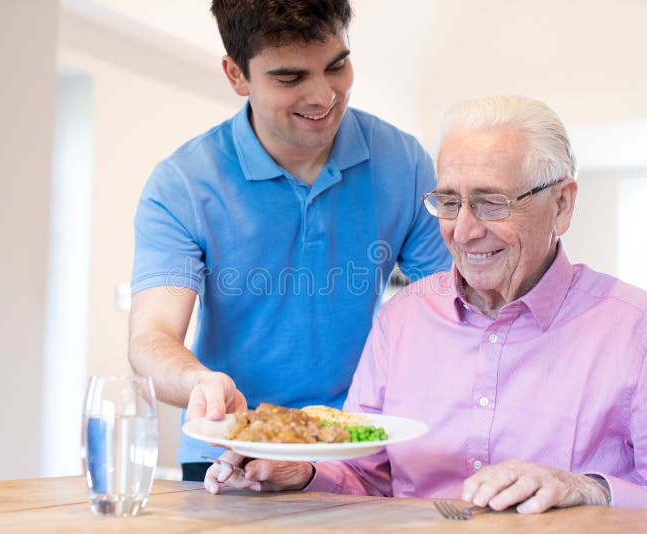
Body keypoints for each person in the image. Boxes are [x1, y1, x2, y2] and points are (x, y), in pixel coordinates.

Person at [204, 95, 647, 511]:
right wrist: (304, 471)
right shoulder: (402, 318)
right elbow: (367, 471)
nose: (465, 231)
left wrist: (588, 489)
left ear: (561, 204)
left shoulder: (640, 331)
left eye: (492, 202)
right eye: (448, 202)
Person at [128, 0, 451, 481]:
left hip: (355, 452)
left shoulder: (404, 162)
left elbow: (451, 308)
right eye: (290, 78)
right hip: (231, 450)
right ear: (237, 75)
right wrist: (200, 383)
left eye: (337, 66)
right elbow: (150, 339)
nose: (324, 96)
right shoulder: (184, 184)